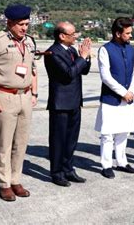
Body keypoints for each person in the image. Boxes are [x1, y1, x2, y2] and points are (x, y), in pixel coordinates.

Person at [0, 4, 38, 201]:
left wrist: (34, 93)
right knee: (3, 143)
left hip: (25, 96)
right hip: (4, 95)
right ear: (10, 23)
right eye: (21, 24)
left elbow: (33, 69)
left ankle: (16, 179)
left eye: (27, 24)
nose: (24, 28)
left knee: (21, 142)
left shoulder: (30, 42)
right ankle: (4, 183)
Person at [44, 21, 91, 186]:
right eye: (73, 34)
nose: (76, 36)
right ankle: (57, 173)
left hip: (75, 101)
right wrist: (82, 57)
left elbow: (83, 70)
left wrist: (86, 56)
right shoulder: (52, 53)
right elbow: (68, 73)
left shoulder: (71, 50)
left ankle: (69, 169)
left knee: (71, 139)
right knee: (58, 140)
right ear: (62, 36)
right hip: (61, 104)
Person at [95, 17, 134, 179]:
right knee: (107, 134)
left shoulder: (131, 49)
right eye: (127, 33)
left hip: (128, 98)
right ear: (118, 33)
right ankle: (106, 164)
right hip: (111, 99)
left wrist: (131, 91)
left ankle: (122, 162)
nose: (130, 36)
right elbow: (106, 76)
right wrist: (123, 92)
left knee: (123, 132)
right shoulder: (105, 50)